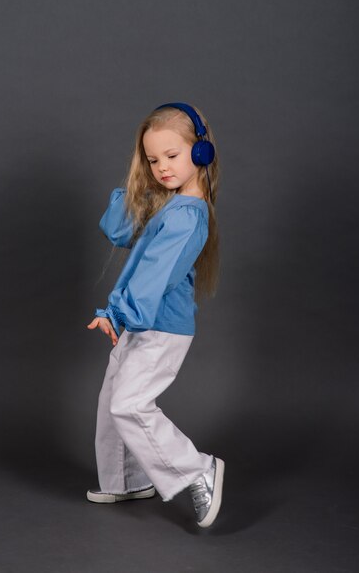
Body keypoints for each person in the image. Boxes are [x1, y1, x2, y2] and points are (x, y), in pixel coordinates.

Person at [86, 102, 225, 528]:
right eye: (152, 159)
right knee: (113, 399)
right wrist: (138, 185)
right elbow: (118, 229)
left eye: (172, 156)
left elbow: (153, 275)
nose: (162, 167)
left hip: (158, 325)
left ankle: (197, 469)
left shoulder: (186, 216)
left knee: (129, 403)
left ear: (200, 154)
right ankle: (126, 480)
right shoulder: (168, 204)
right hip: (144, 319)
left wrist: (119, 312)